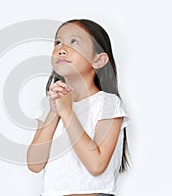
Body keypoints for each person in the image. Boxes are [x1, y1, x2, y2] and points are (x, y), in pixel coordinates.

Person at [27, 19, 131, 196]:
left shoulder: (108, 103)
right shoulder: (49, 105)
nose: (61, 48)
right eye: (58, 42)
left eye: (74, 41)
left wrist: (67, 113)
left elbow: (96, 165)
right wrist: (54, 112)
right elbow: (35, 164)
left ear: (98, 60)